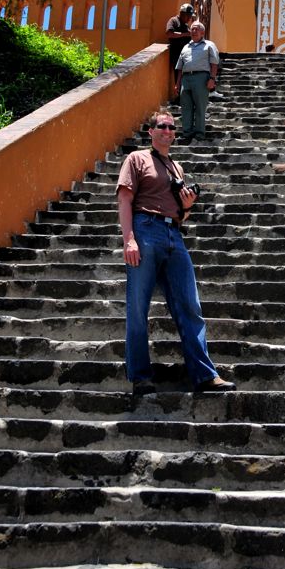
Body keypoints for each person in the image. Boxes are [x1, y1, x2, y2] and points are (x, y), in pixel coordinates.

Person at [117, 110, 235, 396]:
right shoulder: (136, 159)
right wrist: (129, 239)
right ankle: (140, 376)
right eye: (162, 126)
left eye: (172, 127)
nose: (168, 131)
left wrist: (188, 204)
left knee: (190, 305)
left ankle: (205, 375)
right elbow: (125, 198)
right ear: (151, 131)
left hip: (174, 233)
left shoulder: (176, 168)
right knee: (138, 307)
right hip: (145, 229)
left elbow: (183, 215)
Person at [175, 21, 220, 141]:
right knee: (186, 106)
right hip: (186, 78)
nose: (194, 31)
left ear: (202, 32)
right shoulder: (186, 47)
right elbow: (180, 68)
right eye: (192, 29)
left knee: (200, 106)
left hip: (201, 77)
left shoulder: (209, 45)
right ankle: (187, 133)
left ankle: (199, 133)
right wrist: (177, 83)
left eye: (196, 29)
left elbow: (214, 63)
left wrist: (212, 79)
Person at [166, 3, 194, 71]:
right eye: (188, 16)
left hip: (186, 56)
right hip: (177, 56)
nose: (189, 19)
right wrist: (185, 34)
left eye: (190, 16)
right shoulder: (174, 20)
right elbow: (169, 34)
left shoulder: (186, 25)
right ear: (182, 14)